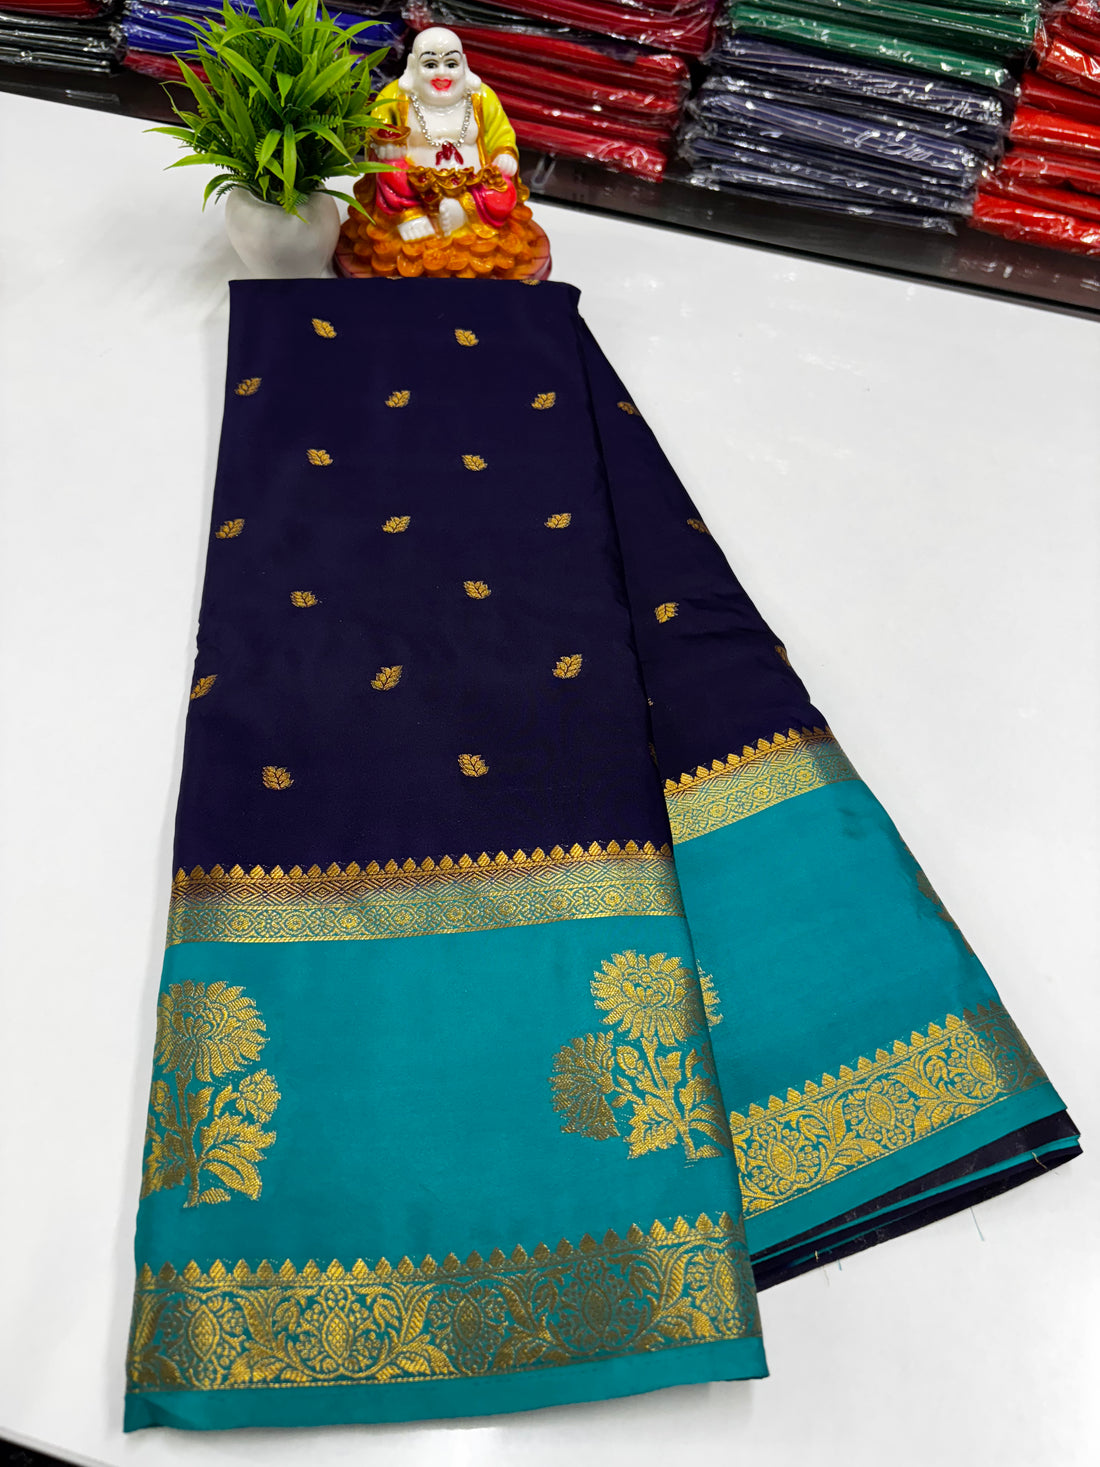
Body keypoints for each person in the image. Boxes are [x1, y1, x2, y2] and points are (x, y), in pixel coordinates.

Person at [338, 27, 545, 279]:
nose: (442, 73)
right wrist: (383, 143)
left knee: (504, 191)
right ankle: (410, 216)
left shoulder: (481, 96)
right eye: (430, 65)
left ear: (463, 64)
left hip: (474, 184)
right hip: (416, 185)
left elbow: (501, 132)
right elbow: (377, 127)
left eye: (451, 64)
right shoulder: (396, 97)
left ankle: (463, 212)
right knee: (389, 168)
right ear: (413, 65)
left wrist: (505, 153)